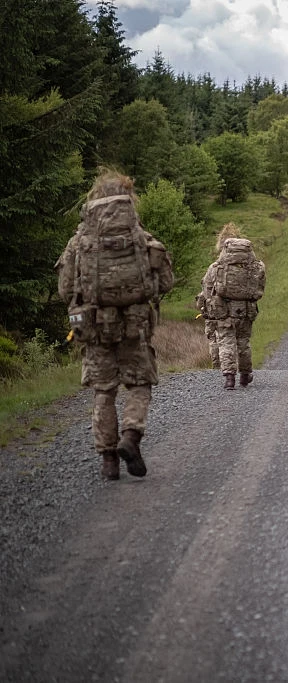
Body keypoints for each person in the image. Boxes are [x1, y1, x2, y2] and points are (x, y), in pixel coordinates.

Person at [56, 170, 174, 480]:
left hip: (94, 328)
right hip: (135, 325)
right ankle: (131, 436)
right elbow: (166, 282)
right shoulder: (141, 238)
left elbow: (65, 290)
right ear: (128, 201)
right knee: (140, 384)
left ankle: (108, 461)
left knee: (104, 390)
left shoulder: (79, 243)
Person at [201, 224, 266, 389]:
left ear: (225, 250)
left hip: (223, 310)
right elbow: (260, 289)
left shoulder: (216, 267)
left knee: (226, 342)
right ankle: (245, 375)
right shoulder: (256, 267)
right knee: (243, 342)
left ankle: (229, 378)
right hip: (246, 310)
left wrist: (209, 306)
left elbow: (207, 289)